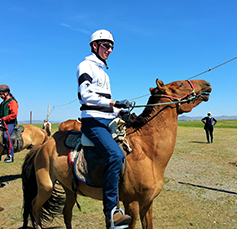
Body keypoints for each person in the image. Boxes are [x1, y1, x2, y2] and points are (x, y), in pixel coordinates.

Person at [76, 29, 132, 228]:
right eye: (106, 45)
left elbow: (105, 103)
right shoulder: (85, 65)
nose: (110, 50)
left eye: (112, 47)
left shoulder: (103, 72)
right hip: (92, 122)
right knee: (115, 155)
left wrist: (119, 112)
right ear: (95, 45)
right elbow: (85, 94)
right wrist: (114, 104)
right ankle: (111, 212)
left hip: (106, 121)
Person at [0, 85, 19, 163]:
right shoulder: (2, 103)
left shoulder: (12, 102)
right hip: (3, 122)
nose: (0, 96)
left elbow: (14, 114)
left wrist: (3, 119)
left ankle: (10, 155)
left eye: (1, 94)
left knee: (6, 136)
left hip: (11, 123)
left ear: (6, 93)